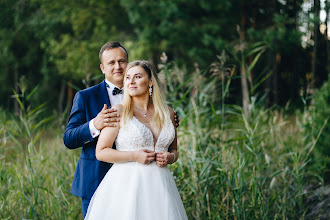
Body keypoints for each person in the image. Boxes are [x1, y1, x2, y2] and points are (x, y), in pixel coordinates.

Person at [63, 41, 179, 218]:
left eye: (122, 61)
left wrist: (167, 124)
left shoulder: (146, 95)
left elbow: (168, 142)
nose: (118, 66)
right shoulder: (86, 97)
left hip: (149, 182)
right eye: (111, 63)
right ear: (102, 68)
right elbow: (69, 138)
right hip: (97, 179)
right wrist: (95, 124)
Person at [84, 60, 188, 220]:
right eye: (128, 77)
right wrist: (134, 156)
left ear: (151, 81)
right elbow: (101, 152)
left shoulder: (168, 113)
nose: (131, 81)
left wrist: (170, 157)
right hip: (127, 187)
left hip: (161, 187)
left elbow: (174, 151)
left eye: (137, 76)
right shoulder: (119, 112)